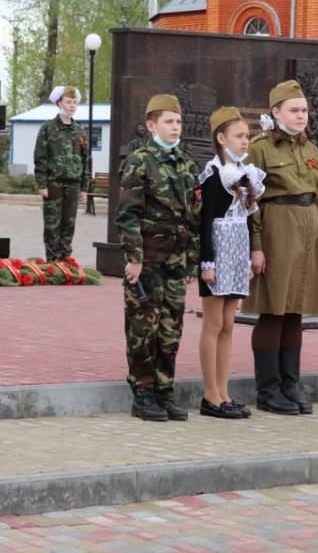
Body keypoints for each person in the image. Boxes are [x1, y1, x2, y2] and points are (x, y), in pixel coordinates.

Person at [245, 80, 318, 415]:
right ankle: (268, 389)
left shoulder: (311, 149)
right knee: (273, 310)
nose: (301, 116)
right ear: (276, 112)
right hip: (277, 227)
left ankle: (290, 383)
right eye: (294, 110)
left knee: (297, 310)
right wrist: (258, 245)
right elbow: (250, 198)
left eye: (304, 110)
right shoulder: (261, 147)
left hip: (308, 228)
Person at [116, 94, 200, 422]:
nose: (175, 127)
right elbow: (127, 215)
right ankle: (143, 392)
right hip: (148, 259)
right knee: (143, 326)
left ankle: (165, 390)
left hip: (176, 261)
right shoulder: (140, 160)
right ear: (152, 125)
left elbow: (193, 215)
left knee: (170, 327)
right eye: (168, 121)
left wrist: (191, 260)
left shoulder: (186, 162)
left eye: (178, 122)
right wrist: (134, 257)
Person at [196, 106, 264, 420]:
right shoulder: (213, 174)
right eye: (238, 136)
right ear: (221, 138)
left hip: (237, 250)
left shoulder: (246, 174)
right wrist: (207, 262)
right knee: (213, 324)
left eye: (247, 136)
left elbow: (247, 217)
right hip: (218, 250)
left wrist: (250, 255)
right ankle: (210, 395)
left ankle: (224, 391)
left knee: (228, 324)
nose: (244, 141)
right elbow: (206, 221)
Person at [33, 86, 90, 261]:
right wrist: (42, 184)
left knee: (69, 223)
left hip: (73, 183)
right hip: (54, 183)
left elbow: (85, 159)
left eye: (74, 102)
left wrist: (84, 187)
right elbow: (40, 157)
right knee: (52, 224)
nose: (72, 106)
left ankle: (66, 259)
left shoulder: (80, 131)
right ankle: (53, 260)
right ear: (59, 103)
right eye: (68, 102)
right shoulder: (47, 128)